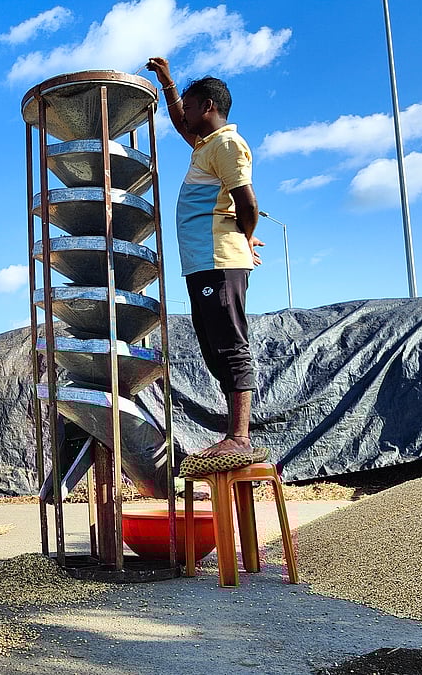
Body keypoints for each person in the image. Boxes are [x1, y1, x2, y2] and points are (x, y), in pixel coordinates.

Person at [146, 57, 265, 459]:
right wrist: (169, 84)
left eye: (193, 106)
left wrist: (246, 239)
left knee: (229, 342)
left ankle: (240, 436)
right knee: (213, 346)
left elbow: (247, 201)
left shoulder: (228, 144)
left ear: (210, 107)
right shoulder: (205, 145)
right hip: (202, 262)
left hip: (219, 259)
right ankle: (234, 433)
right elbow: (181, 124)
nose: (187, 115)